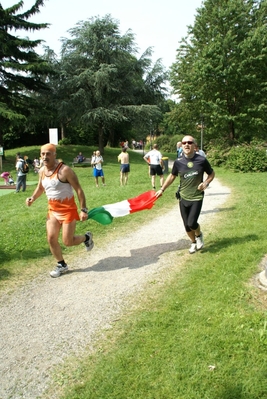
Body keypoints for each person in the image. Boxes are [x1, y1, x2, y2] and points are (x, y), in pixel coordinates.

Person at [25, 143, 94, 278]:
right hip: (53, 211)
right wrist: (32, 198)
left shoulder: (65, 170)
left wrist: (83, 209)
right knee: (51, 238)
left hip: (68, 210)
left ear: (54, 155)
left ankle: (87, 237)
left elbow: (79, 189)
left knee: (68, 242)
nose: (45, 156)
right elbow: (40, 188)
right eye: (43, 154)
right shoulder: (41, 171)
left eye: (48, 153)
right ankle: (61, 265)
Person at [155, 135, 215, 254]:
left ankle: (199, 235)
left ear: (194, 146)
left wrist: (206, 182)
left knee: (192, 222)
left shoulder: (201, 160)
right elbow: (172, 176)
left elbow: (211, 174)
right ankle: (193, 242)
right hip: (183, 196)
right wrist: (162, 189)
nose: (186, 144)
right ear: (181, 146)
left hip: (197, 196)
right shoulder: (178, 162)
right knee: (186, 225)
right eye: (184, 143)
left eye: (189, 142)